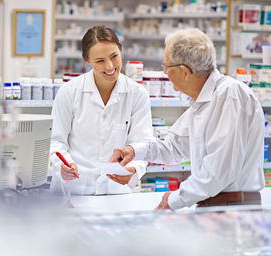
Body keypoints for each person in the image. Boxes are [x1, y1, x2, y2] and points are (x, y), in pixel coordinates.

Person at [109, 28, 265, 209]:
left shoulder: (228, 96)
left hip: (234, 209)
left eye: (166, 66)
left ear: (184, 71)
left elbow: (218, 172)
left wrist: (175, 200)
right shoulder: (204, 101)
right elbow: (173, 147)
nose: (165, 72)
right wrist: (134, 150)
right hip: (215, 206)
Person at [49, 26, 153, 195]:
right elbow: (55, 141)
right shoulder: (69, 92)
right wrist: (63, 165)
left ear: (121, 51)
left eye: (114, 56)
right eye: (100, 61)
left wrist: (133, 169)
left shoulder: (137, 94)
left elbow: (143, 143)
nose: (110, 66)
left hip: (115, 191)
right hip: (75, 190)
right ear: (87, 61)